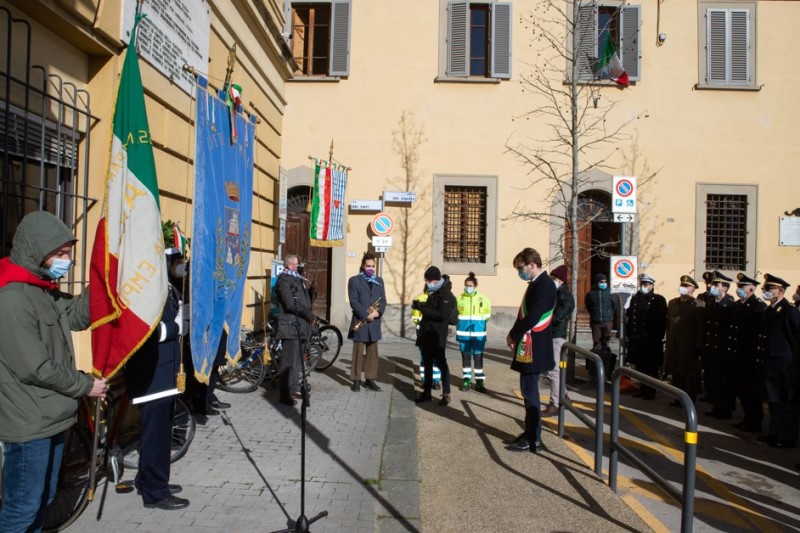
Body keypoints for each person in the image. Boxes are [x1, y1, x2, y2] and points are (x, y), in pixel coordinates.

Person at [0, 211, 107, 531]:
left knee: (44, 499)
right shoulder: (12, 299)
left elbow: (75, 316)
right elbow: (34, 367)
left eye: (68, 254)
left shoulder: (43, 290)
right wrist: (84, 385)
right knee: (22, 507)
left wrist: (103, 280)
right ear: (36, 252)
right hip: (29, 423)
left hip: (52, 416)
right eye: (60, 254)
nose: (67, 261)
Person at [123, 247, 190, 511]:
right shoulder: (145, 291)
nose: (180, 266)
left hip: (164, 374)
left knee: (158, 434)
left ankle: (147, 479)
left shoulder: (166, 289)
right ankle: (155, 491)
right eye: (175, 262)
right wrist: (176, 327)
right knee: (156, 436)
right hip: (152, 376)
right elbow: (143, 332)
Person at [504, 248, 556, 453]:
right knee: (528, 392)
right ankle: (529, 432)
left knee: (530, 394)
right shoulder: (537, 284)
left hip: (534, 348)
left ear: (531, 264)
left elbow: (533, 317)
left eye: (521, 268)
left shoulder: (545, 285)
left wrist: (513, 334)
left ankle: (534, 439)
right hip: (530, 346)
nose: (520, 272)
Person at [755, 274, 800, 448]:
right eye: (765, 288)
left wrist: (792, 364)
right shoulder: (770, 310)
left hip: (784, 365)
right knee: (773, 401)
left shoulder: (789, 311)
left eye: (768, 289)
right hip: (770, 363)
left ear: (780, 291)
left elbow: (795, 339)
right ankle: (774, 433)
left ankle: (787, 437)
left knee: (786, 403)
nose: (764, 291)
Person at [412, 266, 456, 406]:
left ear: (436, 280)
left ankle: (446, 394)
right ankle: (427, 393)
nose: (427, 282)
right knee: (428, 364)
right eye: (426, 280)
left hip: (437, 336)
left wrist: (422, 308)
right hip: (427, 335)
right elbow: (432, 310)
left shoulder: (446, 294)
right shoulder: (433, 292)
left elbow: (441, 315)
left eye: (429, 280)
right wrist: (420, 305)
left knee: (442, 364)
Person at [274, 254, 314, 406]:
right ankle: (284, 393)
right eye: (297, 264)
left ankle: (294, 386)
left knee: (298, 360)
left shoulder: (297, 278)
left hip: (300, 326)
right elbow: (290, 304)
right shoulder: (284, 280)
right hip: (290, 325)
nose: (299, 267)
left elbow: (303, 300)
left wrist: (311, 292)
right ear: (290, 265)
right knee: (288, 361)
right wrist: (308, 314)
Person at [730, 273, 767, 432]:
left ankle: (754, 421)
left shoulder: (758, 306)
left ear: (751, 289)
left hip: (750, 356)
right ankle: (747, 418)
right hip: (739, 355)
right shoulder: (738, 305)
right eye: (738, 286)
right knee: (742, 391)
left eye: (741, 287)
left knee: (752, 392)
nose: (738, 289)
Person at [663, 275, 706, 405]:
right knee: (676, 374)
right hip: (674, 343)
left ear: (693, 289)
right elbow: (668, 324)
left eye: (686, 286)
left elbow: (700, 327)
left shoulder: (698, 304)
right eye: (682, 285)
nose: (682, 288)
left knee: (690, 376)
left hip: (689, 345)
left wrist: (699, 346)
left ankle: (689, 402)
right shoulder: (672, 303)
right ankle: (677, 399)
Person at [348, 252, 386, 392]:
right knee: (358, 352)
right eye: (368, 266)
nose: (371, 269)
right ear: (363, 266)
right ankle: (356, 380)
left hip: (374, 322)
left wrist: (378, 312)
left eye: (373, 266)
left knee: (373, 353)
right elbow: (354, 301)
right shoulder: (354, 280)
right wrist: (365, 315)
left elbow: (383, 301)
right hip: (360, 321)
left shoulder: (379, 281)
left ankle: (370, 379)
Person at [625, 273, 668, 400]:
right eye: (643, 284)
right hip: (638, 339)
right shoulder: (636, 299)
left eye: (647, 284)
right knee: (640, 367)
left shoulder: (658, 300)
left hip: (651, 341)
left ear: (652, 286)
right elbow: (631, 318)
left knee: (651, 368)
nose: (644, 286)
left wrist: (657, 338)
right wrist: (631, 335)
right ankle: (643, 389)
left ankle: (651, 391)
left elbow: (661, 321)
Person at [542, 265, 574, 417]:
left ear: (561, 281)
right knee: (554, 370)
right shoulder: (554, 294)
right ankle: (564, 396)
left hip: (557, 337)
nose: (551, 281)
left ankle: (554, 403)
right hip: (551, 336)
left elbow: (558, 317)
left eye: (553, 279)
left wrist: (542, 318)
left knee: (553, 371)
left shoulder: (566, 298)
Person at [703, 271, 735, 418]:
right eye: (713, 284)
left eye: (716, 284)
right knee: (712, 379)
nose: (712, 286)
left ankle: (725, 409)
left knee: (724, 381)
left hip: (723, 350)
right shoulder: (710, 303)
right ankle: (716, 406)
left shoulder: (730, 305)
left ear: (725, 288)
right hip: (711, 348)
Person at [455, 272, 492, 393]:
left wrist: (478, 326)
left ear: (475, 286)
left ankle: (479, 383)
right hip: (463, 335)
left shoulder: (484, 299)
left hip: (478, 336)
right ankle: (466, 381)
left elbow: (487, 316)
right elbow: (455, 315)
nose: (468, 287)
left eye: (470, 285)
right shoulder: (459, 299)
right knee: (465, 359)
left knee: (478, 359)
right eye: (466, 285)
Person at [411, 285, 441, 390]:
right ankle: (425, 381)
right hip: (423, 332)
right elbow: (415, 318)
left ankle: (436, 380)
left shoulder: (440, 298)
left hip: (436, 331)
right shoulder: (419, 299)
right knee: (424, 357)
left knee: (436, 358)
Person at [585, 273, 617, 351]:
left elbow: (614, 305)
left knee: (606, 341)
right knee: (596, 343)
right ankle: (596, 360)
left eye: (605, 282)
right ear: (597, 282)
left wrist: (609, 314)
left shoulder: (610, 293)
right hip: (596, 321)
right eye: (601, 282)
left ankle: (605, 359)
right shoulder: (590, 294)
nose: (603, 284)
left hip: (607, 321)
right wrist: (594, 313)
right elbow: (588, 306)